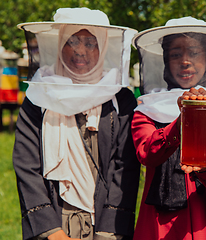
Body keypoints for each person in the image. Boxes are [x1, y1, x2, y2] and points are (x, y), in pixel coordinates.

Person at [13, 8, 140, 240]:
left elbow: (125, 168)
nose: (80, 51)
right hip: (54, 225)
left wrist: (109, 232)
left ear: (102, 47)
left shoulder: (120, 99)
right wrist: (51, 231)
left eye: (91, 43)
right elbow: (26, 164)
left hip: (105, 227)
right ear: (60, 45)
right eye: (72, 41)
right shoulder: (39, 96)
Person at [131, 17, 206, 240]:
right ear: (166, 60)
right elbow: (147, 153)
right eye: (176, 54)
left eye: (195, 52)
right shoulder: (147, 110)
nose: (185, 61)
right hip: (160, 226)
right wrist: (182, 120)